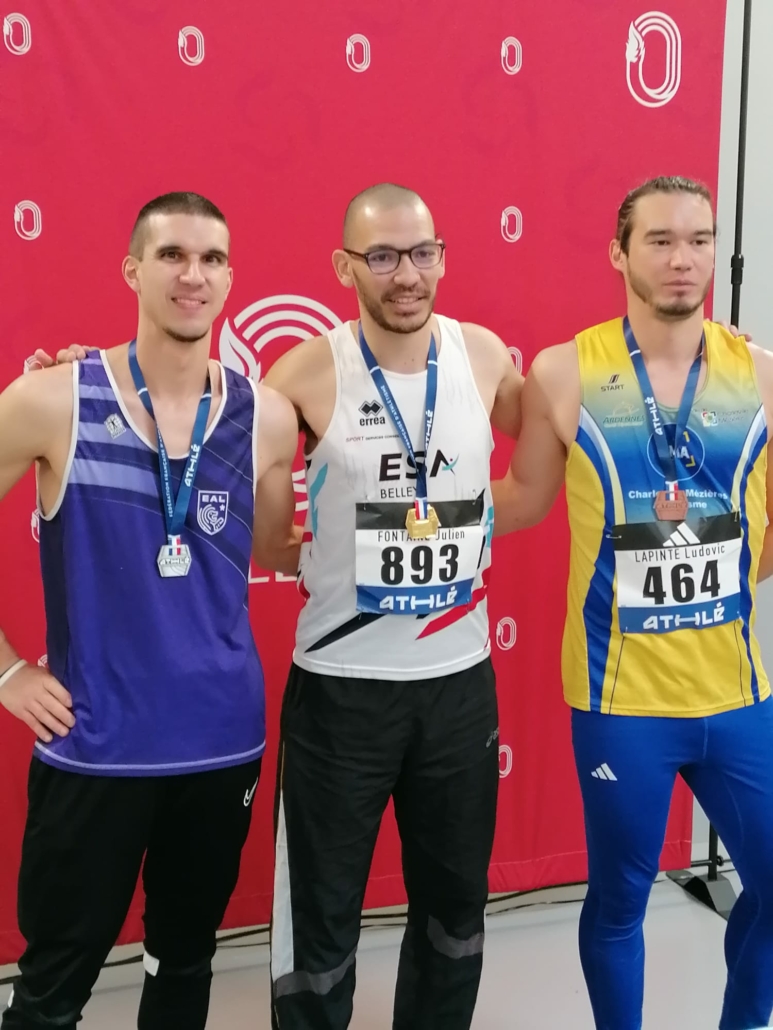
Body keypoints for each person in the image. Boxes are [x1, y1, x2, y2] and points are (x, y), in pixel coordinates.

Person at [0, 192, 300, 1030]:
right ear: (133, 269)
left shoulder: (269, 418)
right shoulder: (51, 398)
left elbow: (282, 550)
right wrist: (7, 671)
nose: (192, 275)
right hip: (96, 745)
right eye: (172, 255)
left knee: (185, 961)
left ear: (231, 279)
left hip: (220, 743)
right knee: (53, 984)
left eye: (211, 259)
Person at [493, 175, 773, 1030]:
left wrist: (712, 576)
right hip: (621, 702)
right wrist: (391, 515)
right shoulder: (563, 371)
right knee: (619, 899)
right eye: (659, 240)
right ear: (618, 253)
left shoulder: (760, 373)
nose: (682, 258)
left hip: (736, 692)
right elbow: (521, 499)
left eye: (698, 239)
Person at [260, 183, 522, 1030]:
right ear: (344, 267)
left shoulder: (482, 355)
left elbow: (557, 432)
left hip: (457, 685)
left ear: (442, 257)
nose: (406, 274)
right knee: (321, 915)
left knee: (454, 907)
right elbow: (266, 535)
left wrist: (707, 354)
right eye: (381, 256)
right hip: (340, 689)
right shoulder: (304, 371)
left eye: (421, 253)